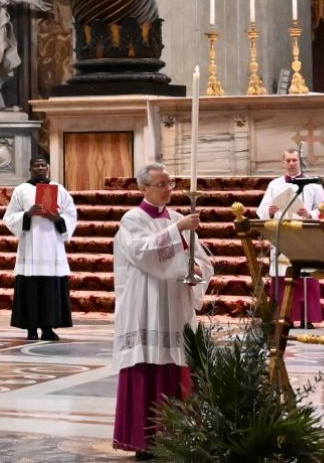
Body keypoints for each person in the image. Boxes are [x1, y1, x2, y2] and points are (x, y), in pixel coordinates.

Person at [112, 162, 212, 460]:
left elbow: (200, 256)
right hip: (147, 302)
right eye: (162, 184)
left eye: (170, 183)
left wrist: (197, 267)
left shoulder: (179, 217)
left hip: (175, 301)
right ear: (143, 188)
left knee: (175, 364)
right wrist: (176, 230)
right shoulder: (132, 219)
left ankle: (177, 436)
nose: (169, 189)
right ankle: (144, 440)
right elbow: (142, 254)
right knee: (148, 364)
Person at [3, 156, 77, 341]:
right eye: (36, 165)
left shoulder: (59, 189)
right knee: (31, 287)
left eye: (43, 165)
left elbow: (71, 214)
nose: (40, 168)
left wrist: (57, 218)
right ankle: (31, 329)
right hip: (31, 246)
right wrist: (28, 214)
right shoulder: (21, 190)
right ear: (30, 169)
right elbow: (9, 217)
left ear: (48, 168)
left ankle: (48, 328)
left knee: (50, 289)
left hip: (52, 246)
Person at [255, 146, 324, 327]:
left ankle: (306, 318)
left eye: (294, 160)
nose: (291, 163)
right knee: (281, 277)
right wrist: (269, 211)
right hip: (281, 237)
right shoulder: (275, 185)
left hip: (305, 236)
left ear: (299, 161)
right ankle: (283, 316)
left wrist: (309, 213)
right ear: (283, 163)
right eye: (287, 160)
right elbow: (261, 210)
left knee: (305, 278)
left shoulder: (313, 184)